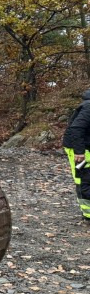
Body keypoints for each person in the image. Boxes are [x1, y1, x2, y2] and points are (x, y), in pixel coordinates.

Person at [62, 89, 90, 221]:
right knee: (84, 179)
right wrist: (79, 151)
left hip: (85, 146)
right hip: (79, 149)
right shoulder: (88, 107)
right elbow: (76, 128)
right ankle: (88, 213)